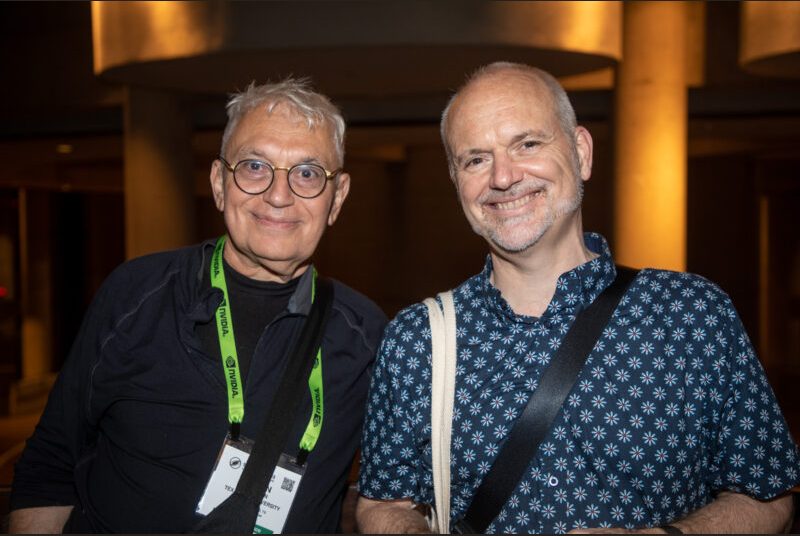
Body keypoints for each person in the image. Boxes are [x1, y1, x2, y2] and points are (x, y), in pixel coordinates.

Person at [355, 62, 799, 534]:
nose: (503, 177)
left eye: (527, 144)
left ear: (581, 152)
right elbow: (385, 503)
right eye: (476, 159)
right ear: (456, 180)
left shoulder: (693, 315)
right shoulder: (417, 338)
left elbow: (767, 495)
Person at [10, 79, 387, 533]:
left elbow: (396, 490)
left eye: (307, 173)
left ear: (337, 198)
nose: (279, 194)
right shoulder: (136, 294)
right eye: (254, 166)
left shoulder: (368, 336)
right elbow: (52, 462)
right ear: (218, 183)